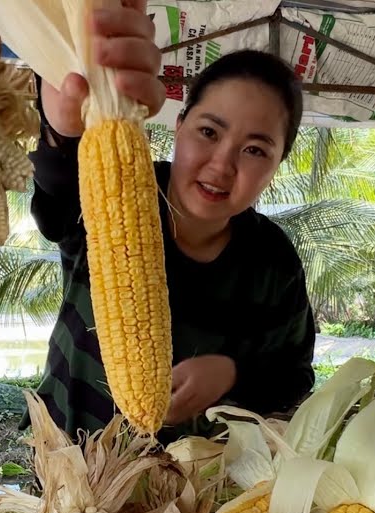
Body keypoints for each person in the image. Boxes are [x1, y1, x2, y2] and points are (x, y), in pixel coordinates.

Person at [27, 0, 317, 442]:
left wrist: (232, 373)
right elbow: (58, 185)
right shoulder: (118, 183)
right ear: (179, 125)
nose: (222, 166)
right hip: (69, 458)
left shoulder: (272, 262)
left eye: (255, 150)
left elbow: (293, 376)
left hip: (191, 488)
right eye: (209, 132)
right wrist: (62, 124)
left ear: (277, 164)